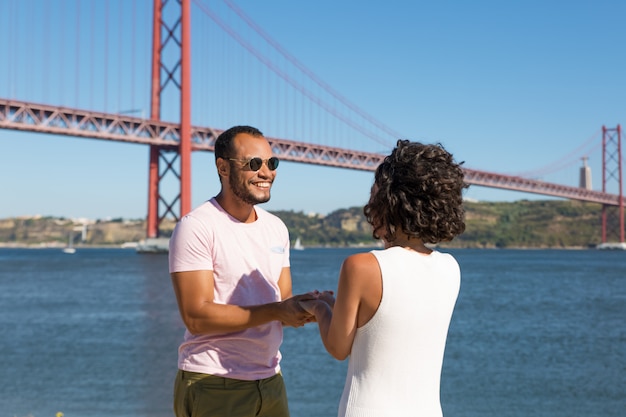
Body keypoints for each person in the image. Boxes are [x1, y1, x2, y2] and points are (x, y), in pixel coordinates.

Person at [300, 140, 468, 417]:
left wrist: (319, 308)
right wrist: (336, 304)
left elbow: (338, 347)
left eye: (374, 193)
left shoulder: (361, 266)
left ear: (388, 200)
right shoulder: (451, 267)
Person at [168, 125, 315, 417]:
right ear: (223, 167)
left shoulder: (276, 228)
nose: (266, 172)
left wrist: (313, 306)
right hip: (214, 383)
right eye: (254, 164)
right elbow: (196, 316)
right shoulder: (196, 227)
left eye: (272, 163)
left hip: (271, 381)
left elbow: (281, 303)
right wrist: (278, 310)